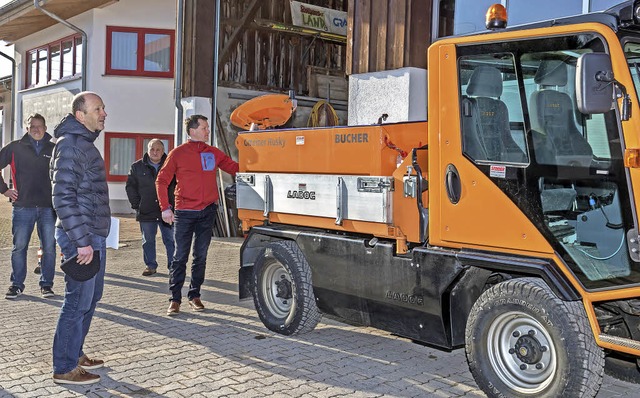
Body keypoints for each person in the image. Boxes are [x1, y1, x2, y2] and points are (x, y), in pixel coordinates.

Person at [50, 92, 110, 385]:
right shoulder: (71, 145)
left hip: (91, 234)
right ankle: (64, 367)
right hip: (81, 237)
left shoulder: (83, 144)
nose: (103, 113)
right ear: (79, 115)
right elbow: (62, 196)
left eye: (102, 108)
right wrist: (82, 240)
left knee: (91, 298)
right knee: (77, 301)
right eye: (97, 109)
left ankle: (74, 353)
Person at [156, 114, 238, 316]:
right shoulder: (178, 154)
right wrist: (165, 208)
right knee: (180, 257)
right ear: (193, 131)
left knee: (200, 257)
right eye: (204, 128)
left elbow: (234, 168)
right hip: (184, 213)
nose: (208, 131)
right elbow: (161, 180)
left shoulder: (212, 152)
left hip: (207, 211)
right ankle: (175, 299)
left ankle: (194, 296)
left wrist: (258, 162)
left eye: (208, 127)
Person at [0, 113, 57, 299]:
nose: (36, 129)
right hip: (23, 207)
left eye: (40, 126)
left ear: (45, 128)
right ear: (27, 128)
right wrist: (5, 190)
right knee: (19, 247)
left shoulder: (54, 148)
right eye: (32, 125)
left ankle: (46, 285)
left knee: (49, 247)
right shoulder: (15, 148)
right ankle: (16, 285)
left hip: (49, 208)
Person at [125, 139, 176, 276]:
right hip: (146, 210)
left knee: (170, 240)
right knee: (148, 240)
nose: (155, 152)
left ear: (163, 151)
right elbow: (130, 187)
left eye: (158, 149)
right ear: (147, 150)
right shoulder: (137, 167)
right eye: (152, 149)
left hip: (167, 210)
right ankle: (150, 265)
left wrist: (175, 205)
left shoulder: (171, 165)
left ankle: (173, 266)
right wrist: (137, 205)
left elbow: (178, 186)